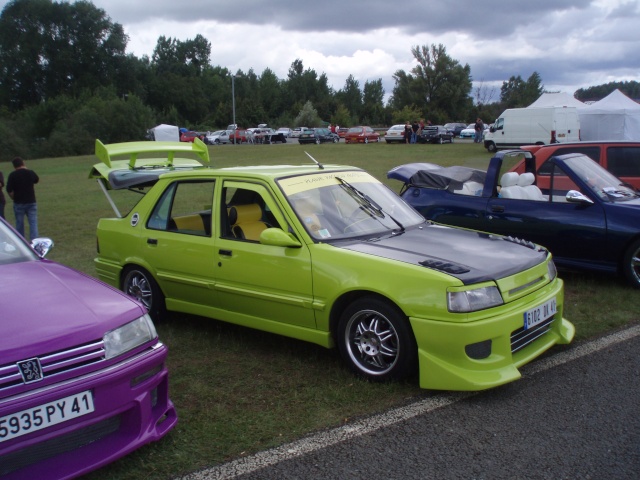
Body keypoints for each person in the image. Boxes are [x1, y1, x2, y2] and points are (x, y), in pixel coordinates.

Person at [6, 157, 39, 240]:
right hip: (31, 201)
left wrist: (13, 197)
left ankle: (21, 240)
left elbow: (9, 189)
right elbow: (36, 180)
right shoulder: (30, 173)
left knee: (19, 223)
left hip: (18, 202)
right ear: (23, 163)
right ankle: (34, 241)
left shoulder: (12, 175)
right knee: (33, 223)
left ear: (14, 166)